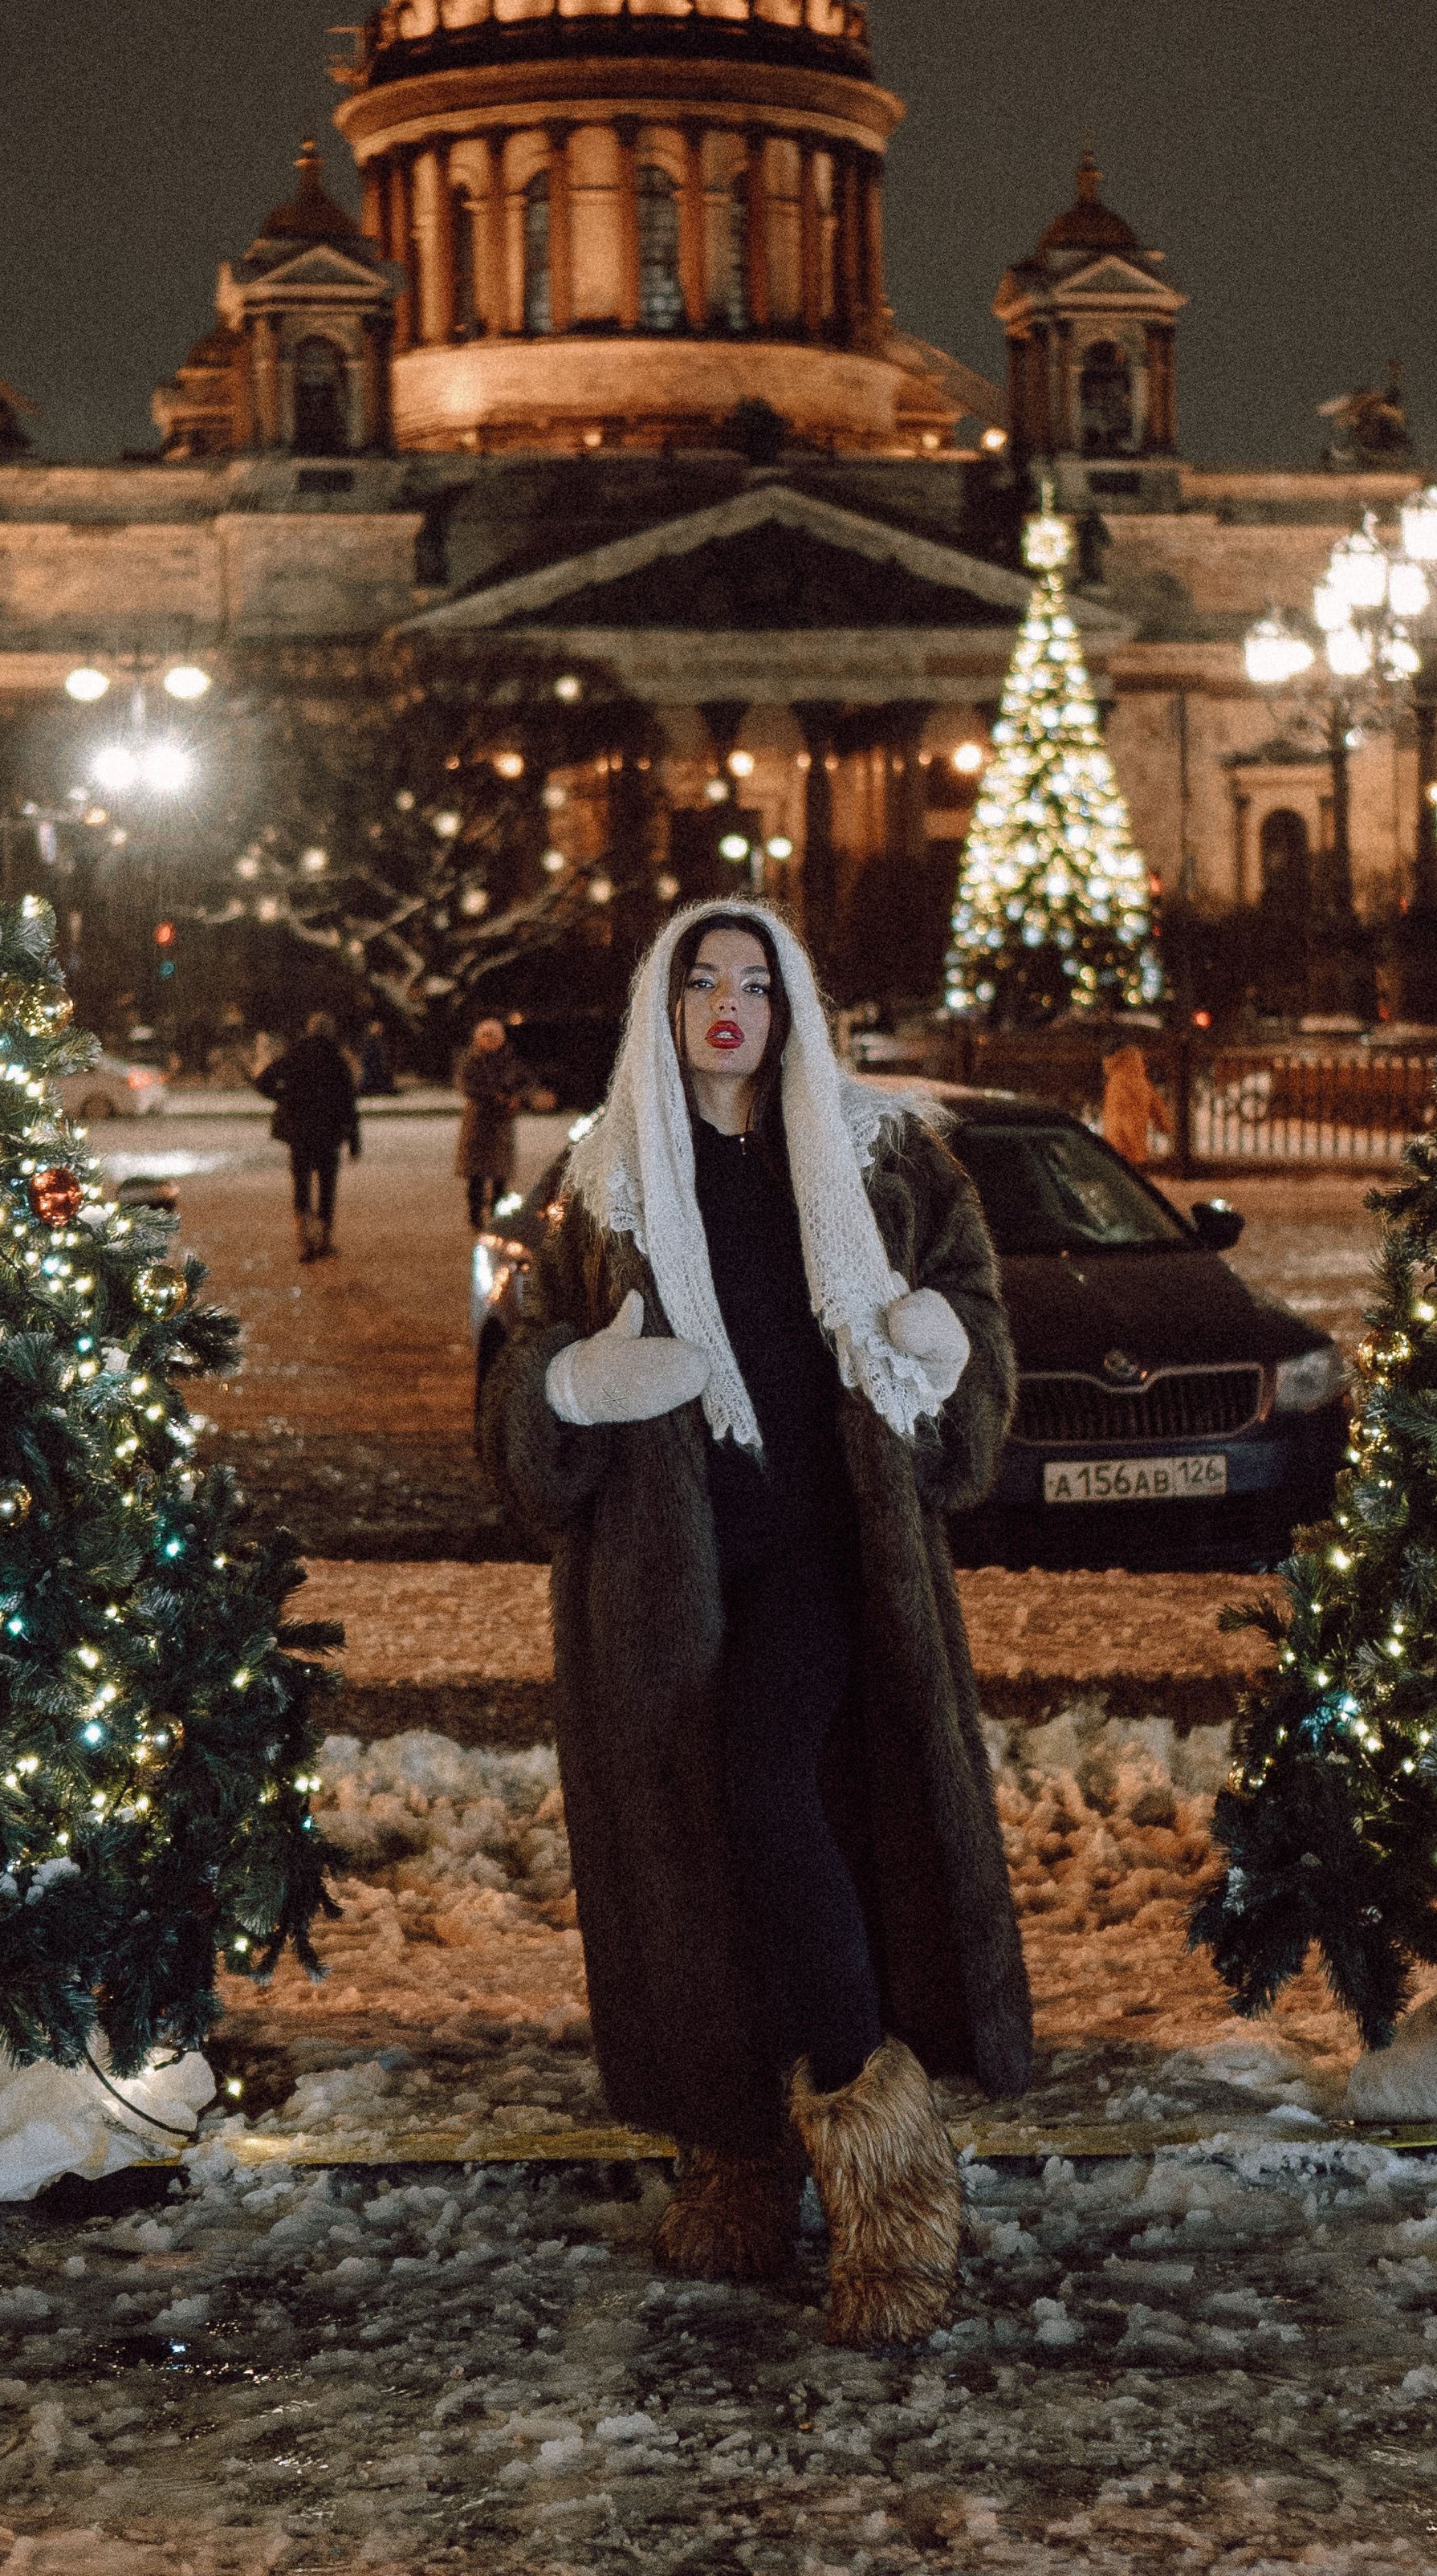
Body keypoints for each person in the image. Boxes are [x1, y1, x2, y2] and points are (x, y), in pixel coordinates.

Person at [479, 901, 1028, 2346]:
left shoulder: (883, 1156)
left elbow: (972, 1323)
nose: (729, 1005)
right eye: (699, 982)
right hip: (666, 1586)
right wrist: (573, 1386)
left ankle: (888, 2171)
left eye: (756, 983)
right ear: (661, 1011)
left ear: (794, 1007)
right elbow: (514, 1383)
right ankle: (738, 2159)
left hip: (834, 1562)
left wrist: (942, 1344)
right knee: (703, 1857)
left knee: (777, 1800)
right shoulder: (593, 1183)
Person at [254, 1011, 360, 1264]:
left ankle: (304, 1239)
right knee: (326, 1186)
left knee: (301, 1185)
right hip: (328, 1132)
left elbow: (263, 1081)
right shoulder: (336, 1059)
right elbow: (349, 1102)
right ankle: (323, 1239)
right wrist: (354, 1140)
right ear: (330, 1032)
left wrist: (282, 1096)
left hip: (299, 1131)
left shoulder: (296, 1053)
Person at [454, 1016, 548, 1229]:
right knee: (475, 1175)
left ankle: (497, 1217)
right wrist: (492, 1096)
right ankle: (475, 1215)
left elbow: (528, 1083)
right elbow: (465, 1084)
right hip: (478, 1122)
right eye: (485, 1036)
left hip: (501, 1123)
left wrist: (519, 1098)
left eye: (493, 1037)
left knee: (499, 1175)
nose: (489, 1041)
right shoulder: (471, 1060)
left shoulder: (510, 1060)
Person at [1100, 1040, 1171, 1167]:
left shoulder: (1115, 1082)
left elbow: (1123, 1116)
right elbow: (1156, 1106)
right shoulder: (1141, 1080)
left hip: (1118, 1146)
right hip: (1132, 1147)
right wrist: (1165, 1125)